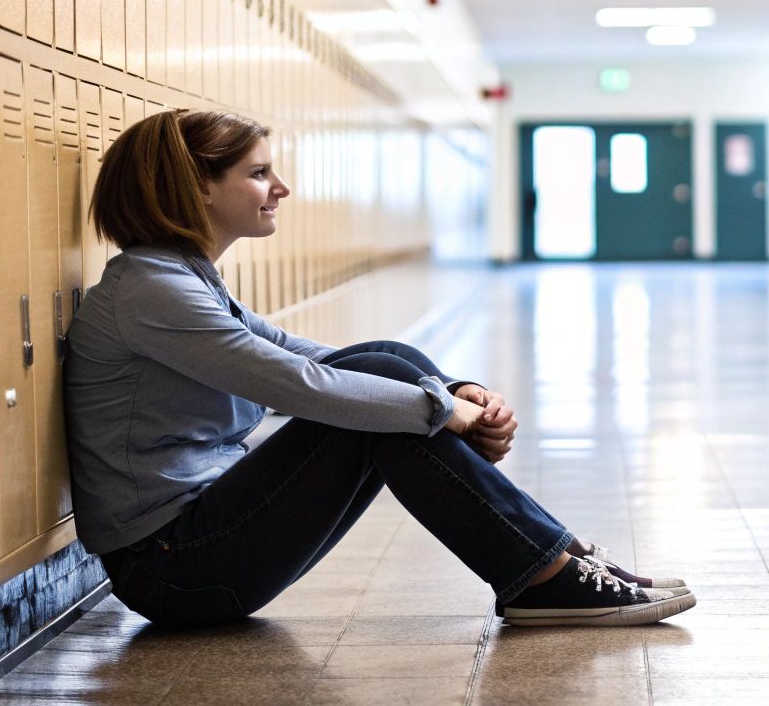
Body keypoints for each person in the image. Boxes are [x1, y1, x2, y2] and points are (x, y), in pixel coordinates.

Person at [64, 109, 695, 627]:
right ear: (195, 186)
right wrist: (441, 412)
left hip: (203, 544)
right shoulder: (151, 290)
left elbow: (298, 352)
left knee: (385, 363)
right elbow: (293, 383)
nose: (280, 188)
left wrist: (451, 391)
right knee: (378, 389)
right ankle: (545, 569)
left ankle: (551, 562)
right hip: (174, 567)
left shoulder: (181, 278)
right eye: (259, 174)